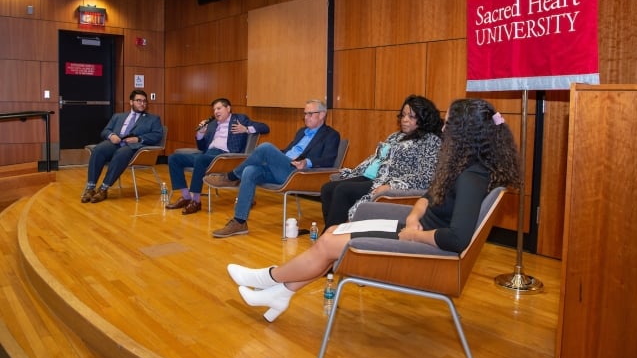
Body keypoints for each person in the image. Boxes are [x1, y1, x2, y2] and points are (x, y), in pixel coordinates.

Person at [225, 98, 520, 322]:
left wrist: (414, 234)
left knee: (328, 242)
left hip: (422, 246)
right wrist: (415, 217)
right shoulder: (461, 164)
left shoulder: (473, 176)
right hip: (411, 228)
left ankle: (269, 278)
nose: (444, 127)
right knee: (332, 231)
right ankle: (280, 295)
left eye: (450, 123)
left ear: (465, 132)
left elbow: (457, 239)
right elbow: (429, 196)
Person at [204, 99, 340, 238]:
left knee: (265, 147)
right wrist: (269, 157)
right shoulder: (301, 132)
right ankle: (240, 222)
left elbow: (328, 160)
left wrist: (307, 162)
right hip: (284, 168)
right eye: (305, 114)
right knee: (249, 171)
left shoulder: (331, 135)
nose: (306, 117)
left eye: (310, 114)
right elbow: (287, 152)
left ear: (322, 114)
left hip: (300, 174)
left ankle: (231, 177)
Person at [320, 95, 443, 229]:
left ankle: (332, 235)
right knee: (327, 188)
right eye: (403, 115)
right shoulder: (396, 136)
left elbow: (426, 177)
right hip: (378, 177)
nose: (405, 120)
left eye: (411, 117)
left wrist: (392, 185)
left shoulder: (430, 141)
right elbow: (377, 159)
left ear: (424, 118)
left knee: (343, 191)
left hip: (392, 182)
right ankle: (333, 232)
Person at [165, 98, 270, 215]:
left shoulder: (240, 119)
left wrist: (246, 129)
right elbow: (201, 147)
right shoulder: (212, 124)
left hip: (225, 157)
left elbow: (265, 127)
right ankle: (186, 197)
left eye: (219, 108)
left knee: (200, 159)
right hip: (207, 155)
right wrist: (200, 134)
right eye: (214, 109)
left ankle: (196, 201)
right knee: (174, 158)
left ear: (228, 108)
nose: (216, 112)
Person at [81, 89, 164, 204]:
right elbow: (105, 131)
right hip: (115, 143)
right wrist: (111, 135)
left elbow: (157, 135)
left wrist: (138, 139)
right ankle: (90, 187)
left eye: (144, 101)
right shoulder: (118, 116)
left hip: (134, 148)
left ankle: (104, 189)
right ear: (131, 102)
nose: (142, 103)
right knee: (99, 149)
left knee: (121, 153)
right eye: (138, 101)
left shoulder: (153, 119)